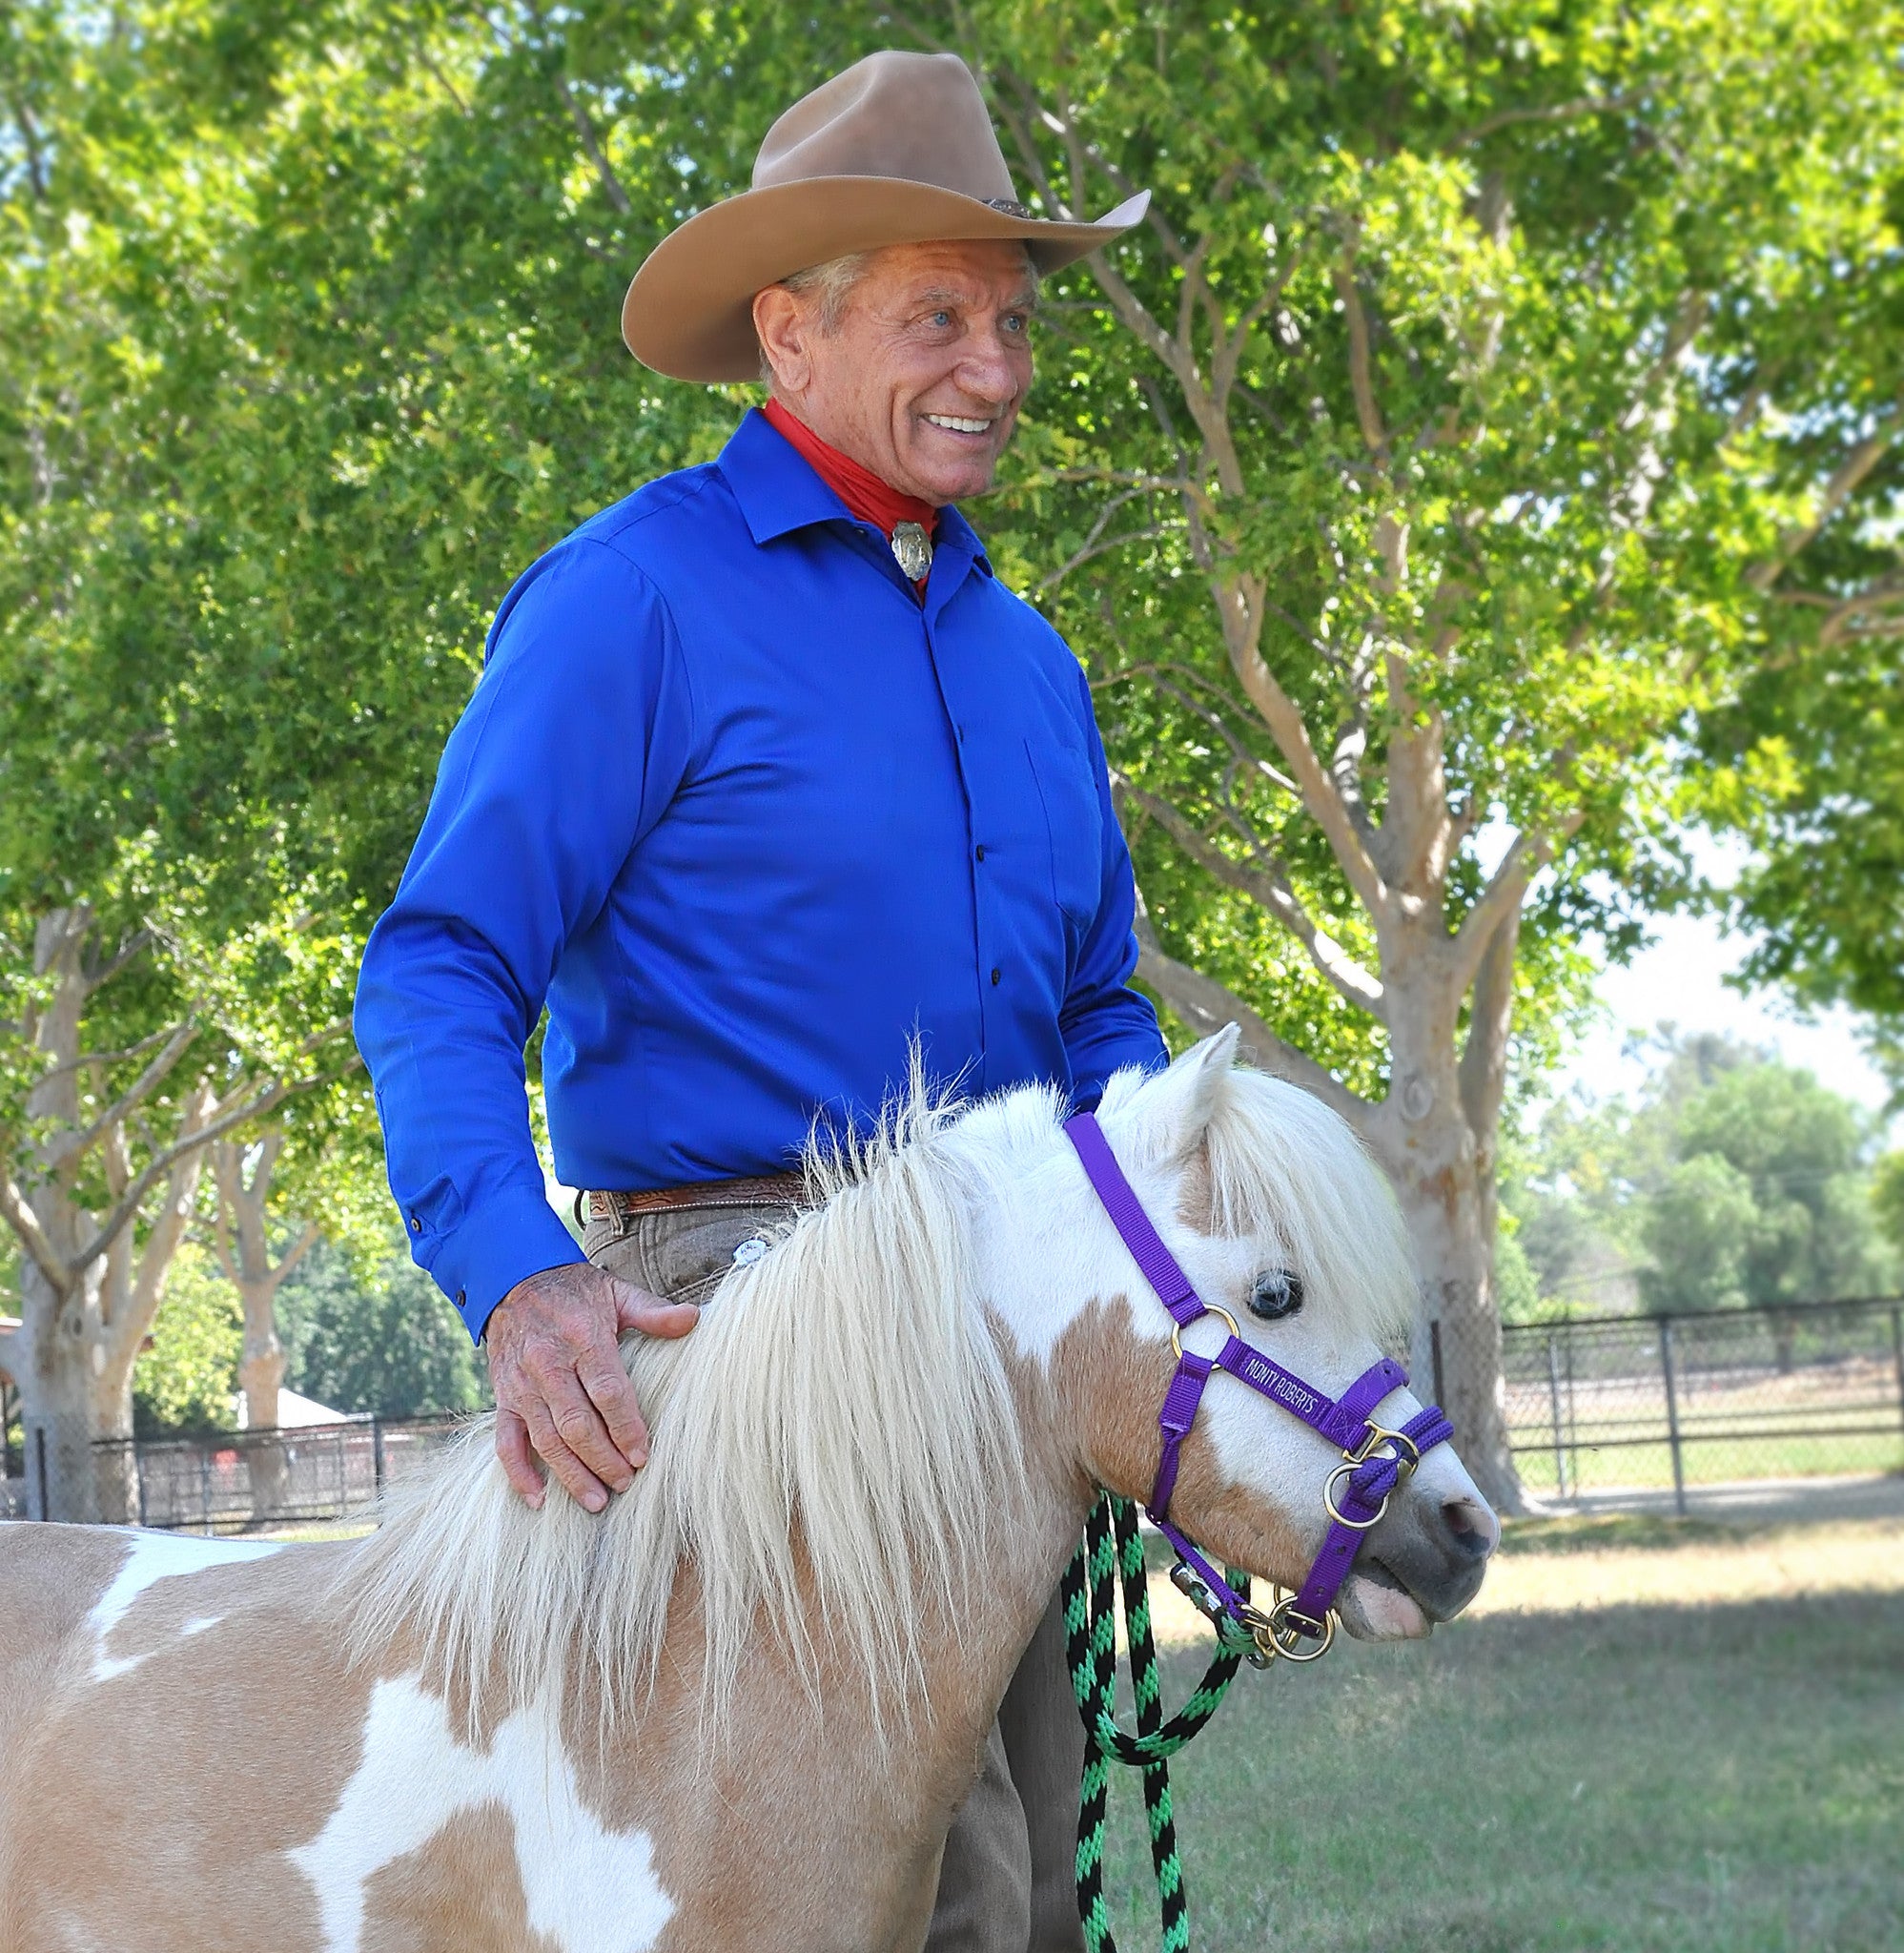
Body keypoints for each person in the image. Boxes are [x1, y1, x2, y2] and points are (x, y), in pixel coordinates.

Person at [354, 49, 1162, 1953]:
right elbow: (441, 962)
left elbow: (1099, 1005)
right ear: (789, 335)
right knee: (902, 1909)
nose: (997, 370)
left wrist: (1157, 1266)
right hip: (747, 1329)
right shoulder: (630, 599)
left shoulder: (1032, 660)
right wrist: (509, 1266)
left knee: (1029, 1891)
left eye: (1015, 321)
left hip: (1003, 1344)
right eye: (937, 318)